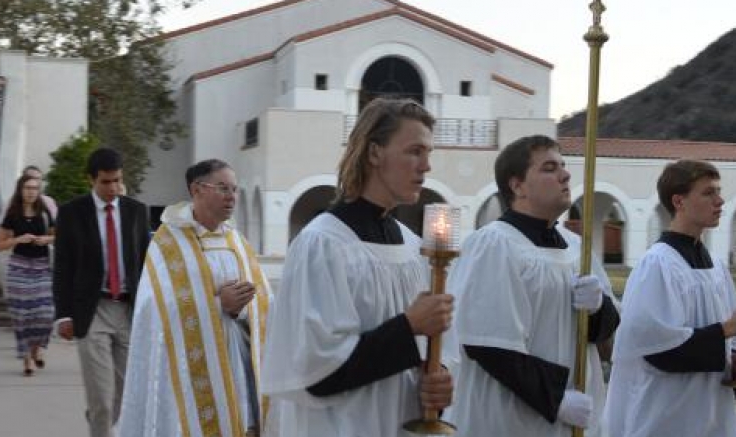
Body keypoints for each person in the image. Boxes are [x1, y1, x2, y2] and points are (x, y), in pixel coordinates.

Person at [261, 98, 454, 437]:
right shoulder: (323, 244)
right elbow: (315, 371)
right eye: (414, 151)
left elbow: (419, 356)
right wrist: (408, 328)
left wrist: (436, 386)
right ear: (375, 153)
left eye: (429, 153)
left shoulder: (411, 247)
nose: (426, 166)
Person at [448, 135, 619, 436]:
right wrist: (556, 398)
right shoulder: (495, 244)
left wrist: (597, 309)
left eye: (564, 166)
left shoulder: (577, 247)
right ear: (518, 186)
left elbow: (605, 333)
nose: (565, 175)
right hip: (512, 418)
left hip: (575, 417)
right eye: (550, 168)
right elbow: (487, 342)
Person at [603, 160, 736, 437]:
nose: (720, 201)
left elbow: (728, 349)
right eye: (708, 193)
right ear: (679, 201)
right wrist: (726, 330)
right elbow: (657, 350)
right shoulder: (657, 265)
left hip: (712, 417)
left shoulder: (715, 267)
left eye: (719, 192)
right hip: (667, 419)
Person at [119, 159, 272, 437]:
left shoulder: (236, 241)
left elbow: (264, 302)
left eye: (235, 189)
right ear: (197, 189)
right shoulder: (169, 242)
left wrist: (244, 307)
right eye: (223, 188)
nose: (232, 197)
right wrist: (216, 305)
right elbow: (154, 310)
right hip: (189, 368)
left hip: (238, 361)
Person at [53, 148, 150, 437]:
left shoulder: (136, 211)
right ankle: (99, 416)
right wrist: (63, 315)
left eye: (117, 181)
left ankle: (97, 414)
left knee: (124, 395)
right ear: (91, 180)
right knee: (103, 400)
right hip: (92, 310)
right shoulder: (72, 213)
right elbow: (63, 267)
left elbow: (146, 264)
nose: (112, 188)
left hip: (128, 311)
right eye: (105, 182)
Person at [0, 174, 55, 375]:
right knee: (21, 314)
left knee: (45, 313)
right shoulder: (12, 214)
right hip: (19, 267)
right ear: (20, 190)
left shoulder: (45, 212)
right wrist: (18, 239)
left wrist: (46, 240)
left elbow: (57, 235)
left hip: (41, 267)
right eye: (27, 187)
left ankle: (37, 349)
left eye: (35, 188)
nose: (31, 191)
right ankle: (27, 359)